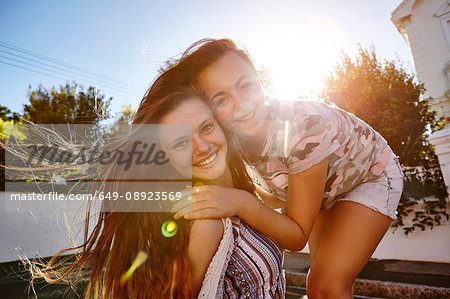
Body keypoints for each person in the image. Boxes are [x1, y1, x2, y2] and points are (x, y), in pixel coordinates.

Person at [171, 38, 404, 299]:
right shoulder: (225, 136)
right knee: (329, 279)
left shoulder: (303, 128)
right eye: (222, 99)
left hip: (369, 176)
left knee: (325, 286)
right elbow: (266, 193)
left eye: (246, 86)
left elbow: (296, 238)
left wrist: (240, 202)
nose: (242, 104)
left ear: (261, 81)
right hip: (325, 191)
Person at [28, 81, 285, 297]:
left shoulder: (244, 193)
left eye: (207, 127)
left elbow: (288, 208)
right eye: (182, 142)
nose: (203, 147)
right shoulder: (207, 223)